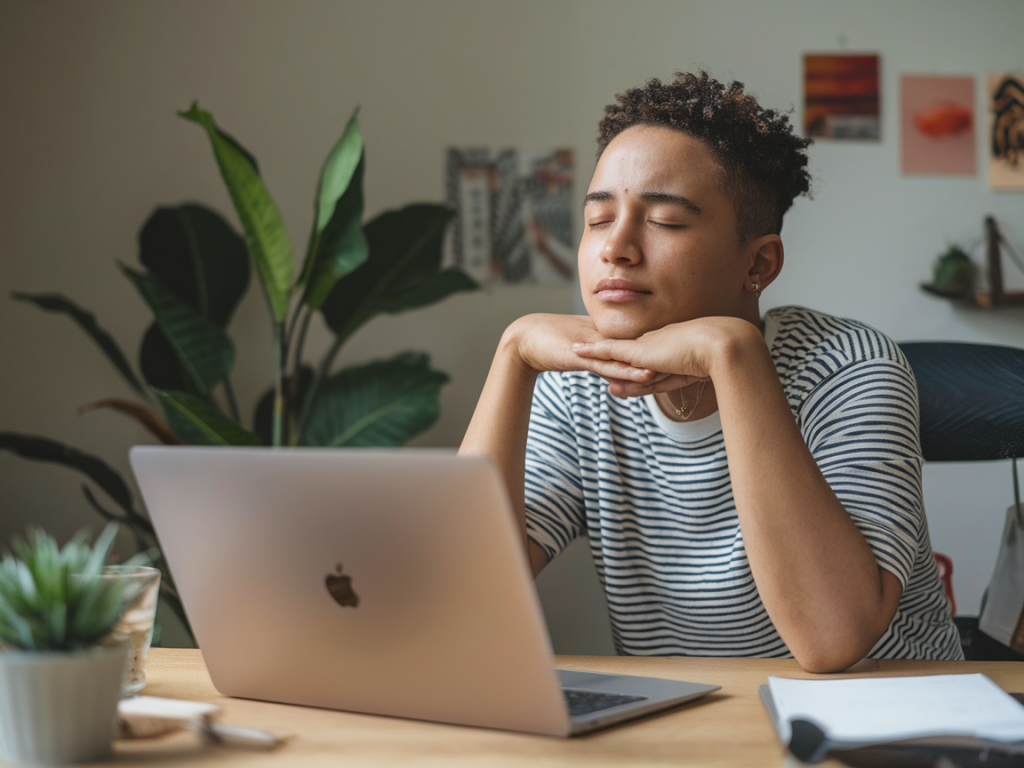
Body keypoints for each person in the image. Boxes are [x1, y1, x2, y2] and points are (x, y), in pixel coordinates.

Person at [459, 71, 963, 672]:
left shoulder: (849, 367)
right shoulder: (577, 387)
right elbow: (460, 596)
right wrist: (513, 355)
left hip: (886, 729)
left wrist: (734, 355)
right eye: (597, 220)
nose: (615, 247)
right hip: (689, 730)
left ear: (759, 261)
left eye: (666, 221)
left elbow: (833, 640)